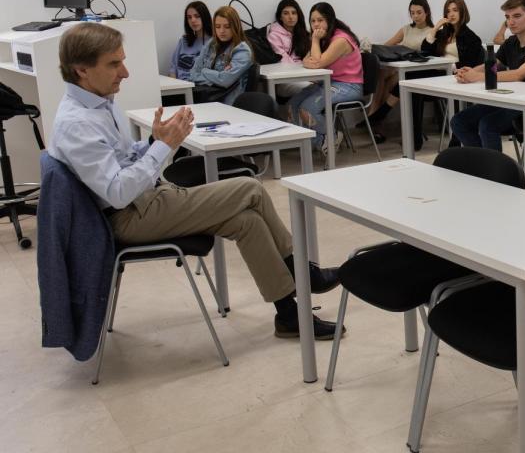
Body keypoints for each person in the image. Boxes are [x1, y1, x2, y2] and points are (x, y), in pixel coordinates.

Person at [48, 23, 343, 340]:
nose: (125, 72)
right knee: (250, 187)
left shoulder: (96, 103)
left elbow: (118, 159)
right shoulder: (78, 123)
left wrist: (152, 141)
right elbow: (118, 193)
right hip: (126, 216)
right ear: (82, 70)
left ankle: (288, 314)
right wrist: (164, 147)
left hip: (141, 203)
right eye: (114, 64)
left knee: (247, 221)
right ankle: (305, 273)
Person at [451, 0, 525, 151]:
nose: (511, 22)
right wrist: (469, 72)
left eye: (517, 16)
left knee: (488, 125)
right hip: (511, 100)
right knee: (458, 121)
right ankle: (482, 164)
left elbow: (518, 74)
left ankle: (495, 173)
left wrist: (477, 77)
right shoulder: (511, 42)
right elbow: (494, 65)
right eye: (507, 17)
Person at [289, 2, 364, 155]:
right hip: (329, 83)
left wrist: (314, 41)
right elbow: (306, 60)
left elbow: (316, 63)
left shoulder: (341, 40)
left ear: (330, 20)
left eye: (320, 20)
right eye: (313, 21)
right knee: (293, 104)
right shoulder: (325, 37)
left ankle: (330, 137)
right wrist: (311, 56)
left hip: (349, 86)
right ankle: (318, 141)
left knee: (307, 108)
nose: (316, 25)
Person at [418, 0, 485, 150]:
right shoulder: (444, 34)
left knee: (457, 99)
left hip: (458, 78)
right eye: (448, 11)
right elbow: (425, 51)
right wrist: (435, 29)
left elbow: (471, 65)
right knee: (412, 84)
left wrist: (453, 67)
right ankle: (415, 136)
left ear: (463, 12)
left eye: (455, 10)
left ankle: (455, 143)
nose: (451, 14)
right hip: (441, 77)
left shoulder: (471, 37)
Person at [363, 0, 434, 133]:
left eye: (419, 12)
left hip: (417, 71)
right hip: (401, 68)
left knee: (389, 81)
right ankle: (375, 119)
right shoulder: (406, 29)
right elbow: (386, 46)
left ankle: (373, 119)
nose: (415, 16)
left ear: (427, 12)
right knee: (381, 74)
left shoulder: (432, 31)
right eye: (412, 13)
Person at [182, 5, 254, 105]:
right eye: (217, 26)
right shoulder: (211, 44)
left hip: (229, 104)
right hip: (208, 100)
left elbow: (225, 80)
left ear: (235, 26)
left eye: (227, 26)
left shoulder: (242, 50)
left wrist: (204, 71)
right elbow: (193, 73)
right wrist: (216, 79)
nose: (221, 31)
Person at [168, 1, 211, 78]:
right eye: (189, 17)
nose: (193, 20)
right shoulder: (183, 41)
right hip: (179, 85)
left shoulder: (213, 42)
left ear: (205, 17)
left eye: (197, 16)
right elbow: (173, 69)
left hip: (199, 87)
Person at [266, 0, 311, 64]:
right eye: (286, 13)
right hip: (288, 72)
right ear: (280, 17)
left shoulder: (304, 34)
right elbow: (283, 60)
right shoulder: (274, 36)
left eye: (294, 13)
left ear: (298, 15)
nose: (290, 17)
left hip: (307, 70)